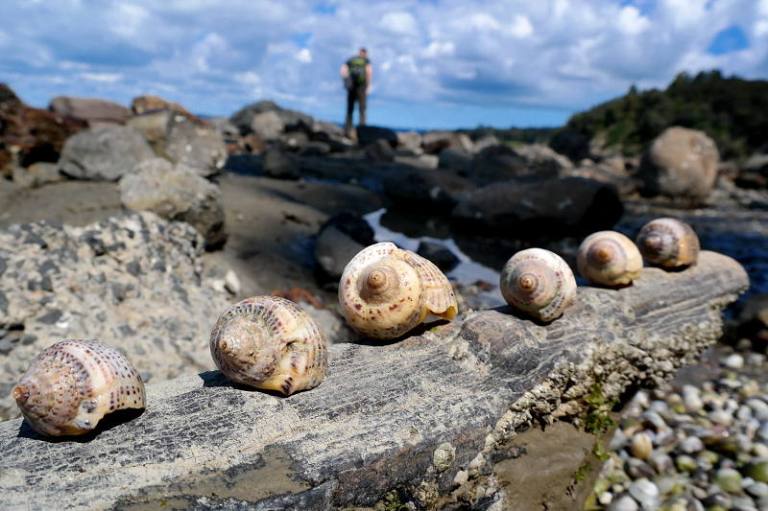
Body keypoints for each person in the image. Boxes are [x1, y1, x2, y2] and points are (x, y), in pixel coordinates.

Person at [340, 47, 372, 137]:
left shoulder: (351, 60)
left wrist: (346, 80)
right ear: (365, 53)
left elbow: (343, 70)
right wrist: (368, 86)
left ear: (359, 52)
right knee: (362, 109)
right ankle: (362, 130)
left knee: (350, 109)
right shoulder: (366, 61)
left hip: (351, 87)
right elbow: (369, 72)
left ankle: (346, 130)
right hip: (361, 87)